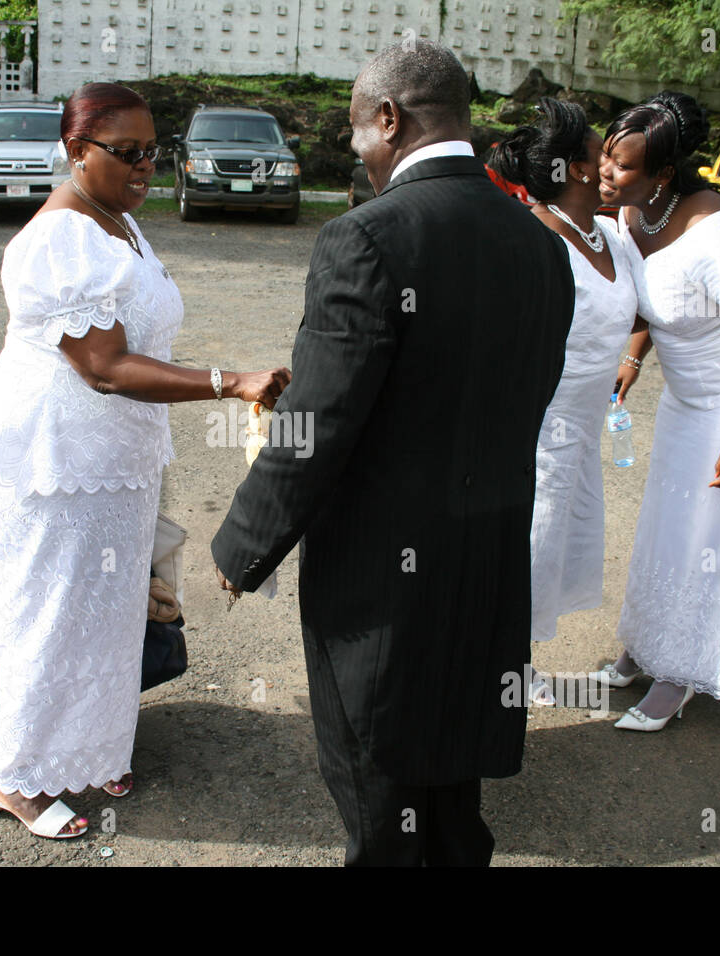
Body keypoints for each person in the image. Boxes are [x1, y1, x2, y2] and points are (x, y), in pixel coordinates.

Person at [211, 41, 575, 865]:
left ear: (390, 119)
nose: (354, 150)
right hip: (483, 559)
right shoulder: (541, 243)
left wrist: (243, 546)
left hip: (381, 578)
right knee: (453, 780)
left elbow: (318, 423)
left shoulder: (365, 239)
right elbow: (522, 391)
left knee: (378, 789)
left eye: (355, 131)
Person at [0, 83, 289, 839]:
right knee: (49, 613)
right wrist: (228, 382)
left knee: (107, 610)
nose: (144, 166)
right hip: (49, 459)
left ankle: (90, 747)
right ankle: (19, 777)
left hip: (112, 455)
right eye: (127, 153)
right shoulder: (55, 240)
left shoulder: (118, 225)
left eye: (152, 153)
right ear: (77, 152)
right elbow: (103, 365)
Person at [590, 91, 720, 730]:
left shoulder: (715, 228)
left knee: (713, 532)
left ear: (662, 175)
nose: (606, 171)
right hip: (689, 398)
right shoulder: (631, 217)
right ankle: (646, 645)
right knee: (668, 522)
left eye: (623, 166)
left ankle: (681, 673)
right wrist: (633, 358)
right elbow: (659, 303)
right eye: (605, 154)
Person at [488, 99, 639, 703]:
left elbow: (644, 309)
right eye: (601, 151)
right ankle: (496, 674)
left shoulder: (606, 233)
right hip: (538, 429)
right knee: (525, 550)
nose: (609, 162)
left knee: (548, 554)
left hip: (582, 427)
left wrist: (630, 359)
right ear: (576, 169)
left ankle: (513, 666)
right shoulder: (536, 240)